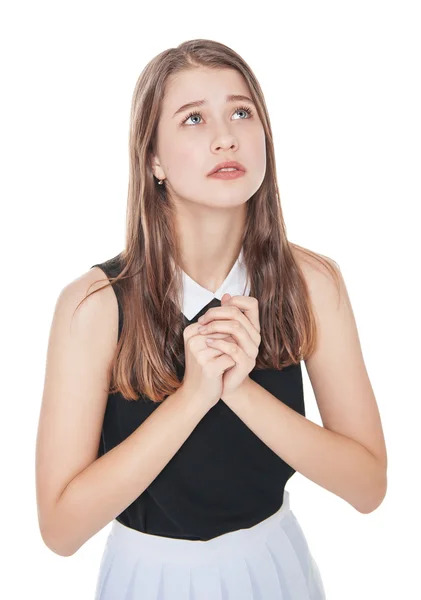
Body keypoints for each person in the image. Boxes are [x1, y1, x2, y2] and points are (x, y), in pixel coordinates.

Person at [36, 38, 388, 599]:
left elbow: (369, 486)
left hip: (276, 571)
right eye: (194, 118)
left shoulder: (313, 284)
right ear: (152, 158)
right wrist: (193, 396)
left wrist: (239, 389)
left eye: (241, 112)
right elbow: (60, 528)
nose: (225, 136)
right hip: (148, 579)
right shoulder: (94, 306)